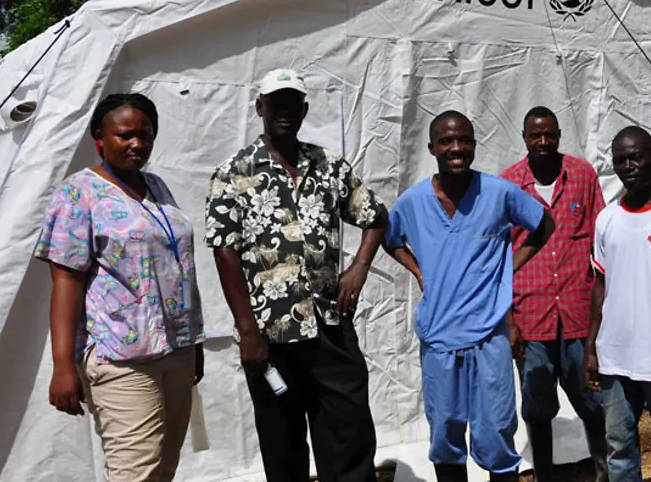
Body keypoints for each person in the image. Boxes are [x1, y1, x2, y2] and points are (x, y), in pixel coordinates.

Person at [205, 68, 387, 482]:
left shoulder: (329, 166)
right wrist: (247, 330)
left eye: (293, 103)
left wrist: (357, 268)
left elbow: (375, 216)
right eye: (276, 103)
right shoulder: (233, 173)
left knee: (348, 433)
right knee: (283, 446)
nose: (285, 111)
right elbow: (225, 251)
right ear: (260, 108)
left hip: (329, 328)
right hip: (271, 336)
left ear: (304, 109)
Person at [35, 93, 205, 482]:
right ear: (100, 138)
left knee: (163, 467)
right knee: (135, 473)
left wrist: (193, 342)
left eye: (145, 135)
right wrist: (63, 365)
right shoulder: (79, 193)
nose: (137, 144)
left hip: (175, 349)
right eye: (125, 135)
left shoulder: (158, 187)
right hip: (121, 356)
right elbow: (66, 281)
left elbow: (177, 268)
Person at [384, 111, 555, 482]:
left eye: (463, 140)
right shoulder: (413, 202)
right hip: (440, 338)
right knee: (445, 436)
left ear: (474, 145)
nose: (456, 148)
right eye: (446, 141)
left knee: (496, 435)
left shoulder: (498, 193)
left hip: (489, 337)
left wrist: (510, 265)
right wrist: (417, 270)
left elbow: (544, 224)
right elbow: (389, 238)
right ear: (432, 148)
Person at [500, 107, 607, 482]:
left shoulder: (581, 175)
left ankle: (602, 471)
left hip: (578, 312)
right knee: (537, 405)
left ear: (559, 135)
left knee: (592, 401)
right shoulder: (509, 184)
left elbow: (601, 240)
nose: (543, 142)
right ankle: (545, 475)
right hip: (531, 316)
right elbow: (500, 257)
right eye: (535, 135)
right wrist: (509, 321)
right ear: (525, 137)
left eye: (549, 135)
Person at [585, 126, 651, 482]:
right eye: (621, 160)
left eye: (636, 157)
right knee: (619, 449)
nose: (629, 165)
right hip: (615, 357)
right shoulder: (607, 219)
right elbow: (600, 285)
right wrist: (591, 347)